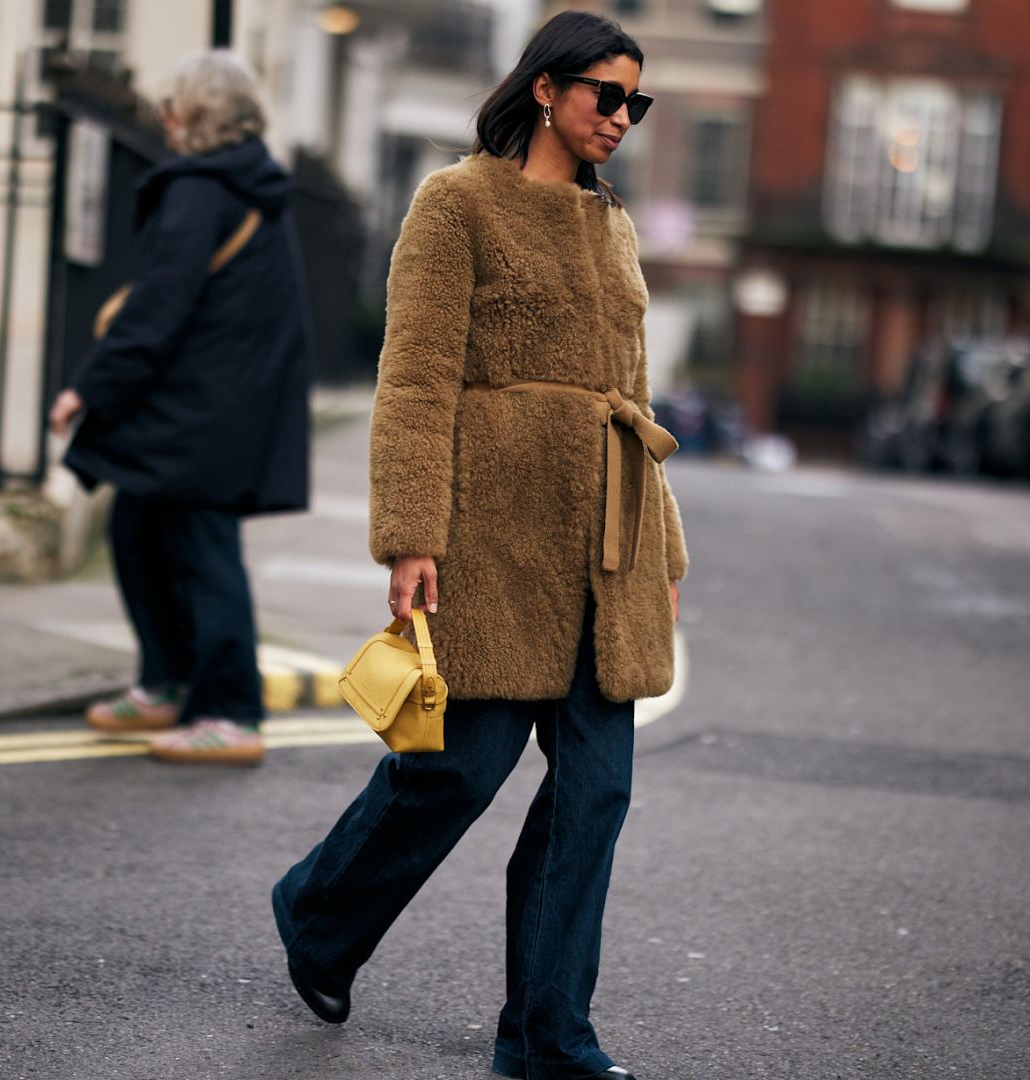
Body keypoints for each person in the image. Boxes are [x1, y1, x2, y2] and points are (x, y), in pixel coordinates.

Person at [272, 11, 686, 1079]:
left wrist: (666, 557)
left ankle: (547, 1035)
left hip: (607, 542)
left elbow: (631, 404)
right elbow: (413, 381)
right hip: (493, 537)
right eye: (607, 93)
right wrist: (410, 536)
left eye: (637, 102)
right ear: (545, 88)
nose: (621, 118)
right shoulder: (456, 204)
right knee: (458, 770)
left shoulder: (614, 226)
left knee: (594, 794)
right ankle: (318, 913)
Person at [49, 51, 310, 766]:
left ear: (194, 112)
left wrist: (87, 388)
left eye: (170, 104)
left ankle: (230, 711)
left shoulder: (202, 190)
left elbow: (156, 311)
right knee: (138, 526)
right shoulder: (247, 185)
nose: (161, 118)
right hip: (224, 401)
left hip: (204, 411)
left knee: (203, 551)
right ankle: (168, 682)